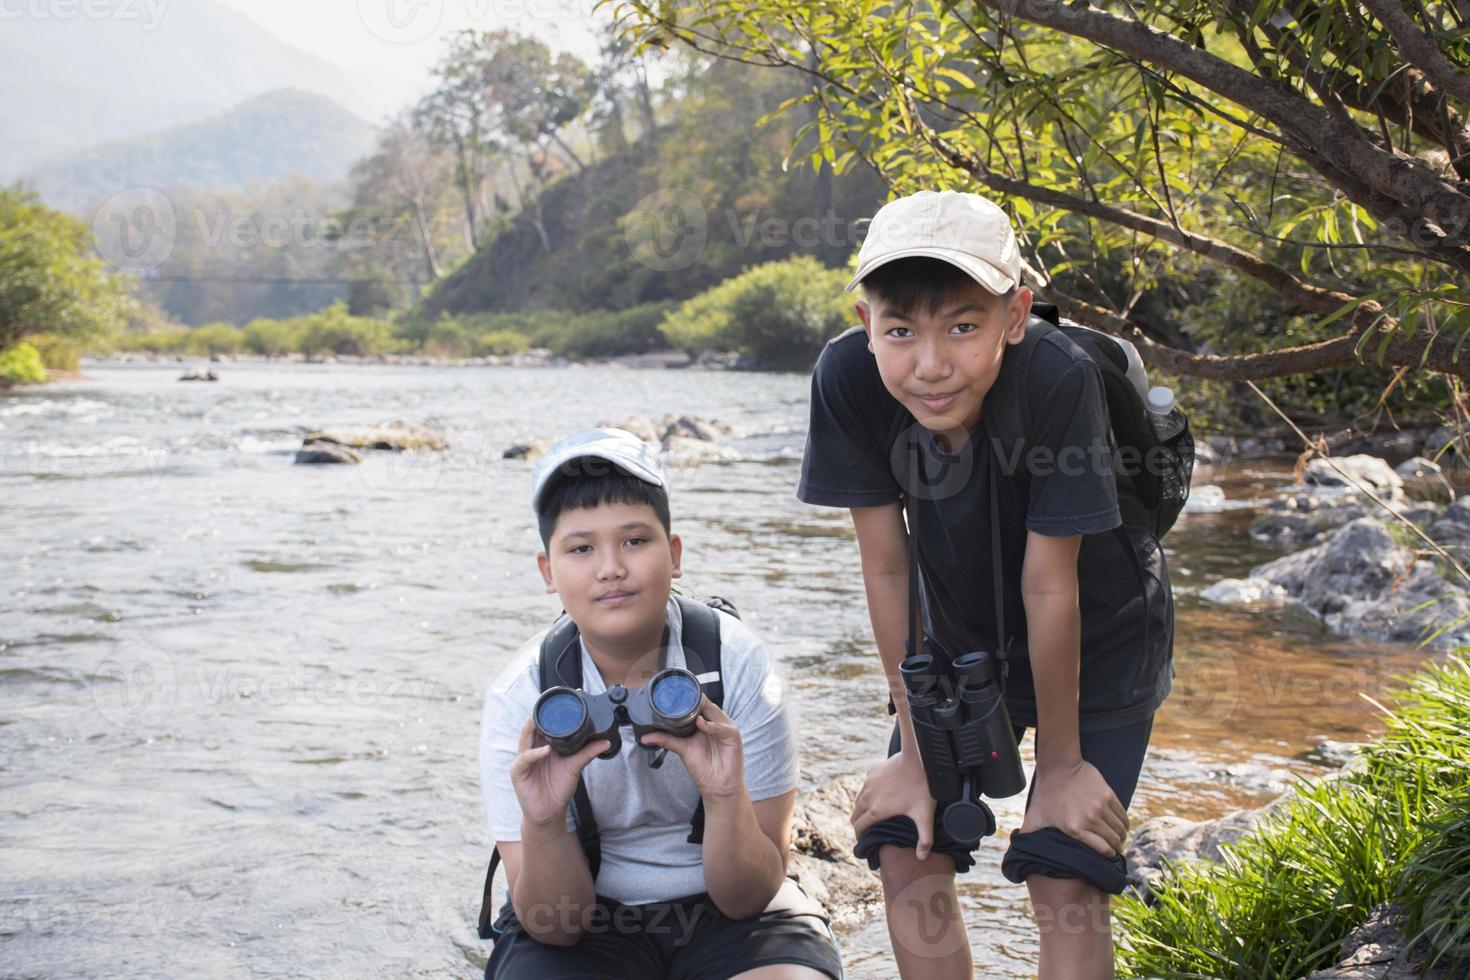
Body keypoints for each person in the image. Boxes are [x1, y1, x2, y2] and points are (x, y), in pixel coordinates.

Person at [797, 190, 1174, 979]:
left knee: (1065, 868)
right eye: (900, 331)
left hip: (1103, 636)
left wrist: (1063, 768)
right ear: (866, 324)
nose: (930, 366)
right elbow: (886, 561)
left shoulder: (1057, 376)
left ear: (1015, 314)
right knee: (907, 846)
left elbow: (1050, 582)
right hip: (958, 640)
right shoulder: (848, 378)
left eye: (963, 327)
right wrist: (908, 753)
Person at [479, 428, 844, 980]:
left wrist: (724, 796)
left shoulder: (736, 661)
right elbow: (556, 925)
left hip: (730, 913)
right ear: (548, 572)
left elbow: (750, 895)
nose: (610, 569)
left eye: (634, 541)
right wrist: (546, 821)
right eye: (580, 548)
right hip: (589, 916)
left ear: (674, 555)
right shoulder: (521, 696)